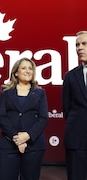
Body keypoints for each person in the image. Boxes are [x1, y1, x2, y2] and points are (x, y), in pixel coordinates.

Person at [0, 57, 48, 180]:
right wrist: (16, 137)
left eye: (30, 68)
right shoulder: (6, 92)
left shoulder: (40, 93)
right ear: (15, 72)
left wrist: (28, 136)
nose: (28, 71)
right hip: (9, 145)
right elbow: (1, 116)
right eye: (24, 68)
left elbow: (43, 118)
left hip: (34, 146)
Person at [62, 30, 87, 180]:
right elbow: (66, 108)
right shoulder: (70, 76)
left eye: (84, 44)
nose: (79, 48)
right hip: (77, 139)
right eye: (77, 45)